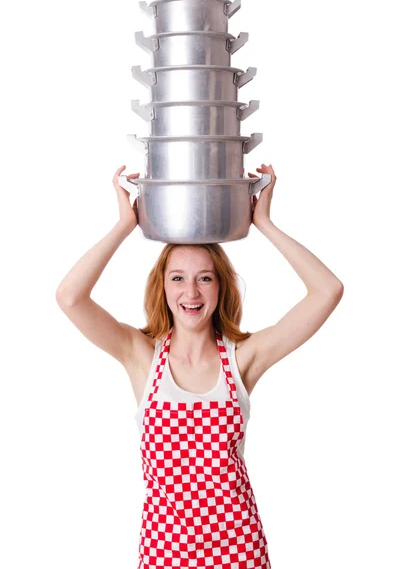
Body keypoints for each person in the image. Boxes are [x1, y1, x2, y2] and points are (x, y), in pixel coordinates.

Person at [56, 163, 344, 568]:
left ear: (221, 286)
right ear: (163, 287)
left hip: (238, 546)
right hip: (165, 550)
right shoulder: (140, 356)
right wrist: (126, 223)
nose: (191, 291)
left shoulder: (243, 358)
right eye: (177, 278)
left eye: (205, 279)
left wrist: (264, 223)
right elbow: (70, 297)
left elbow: (327, 291)